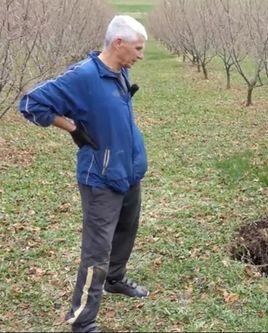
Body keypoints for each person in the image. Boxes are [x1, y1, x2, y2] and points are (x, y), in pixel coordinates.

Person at [19, 15, 150, 333]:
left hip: (127, 173)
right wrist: (72, 127)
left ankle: (115, 280)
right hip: (101, 179)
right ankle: (83, 320)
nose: (141, 55)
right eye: (137, 47)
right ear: (118, 43)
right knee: (97, 251)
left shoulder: (120, 70)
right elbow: (30, 103)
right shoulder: (83, 76)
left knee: (126, 231)